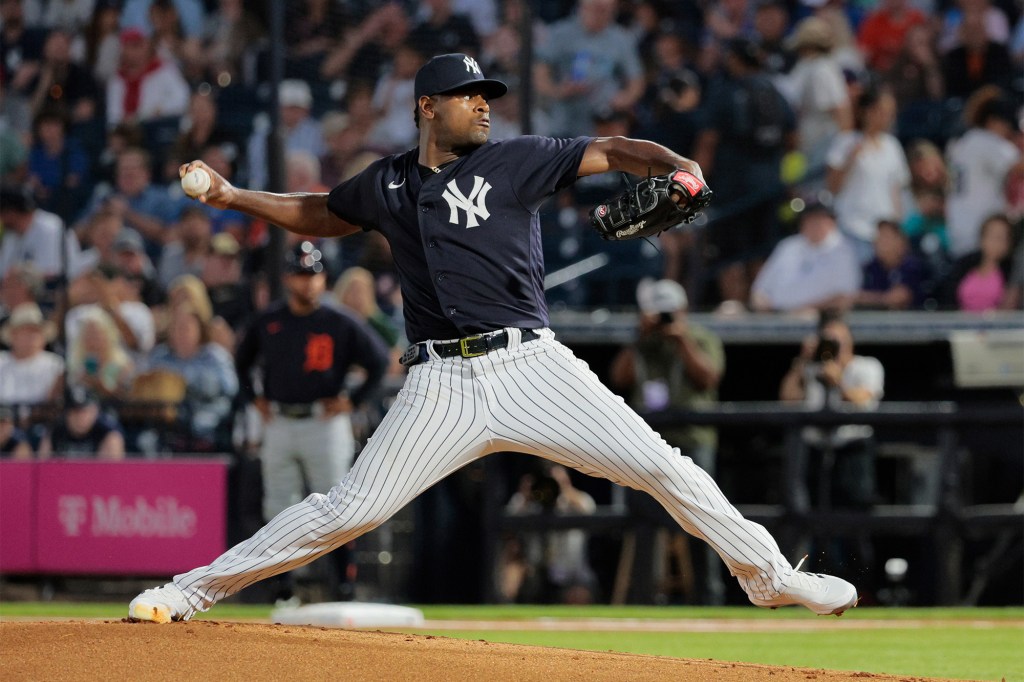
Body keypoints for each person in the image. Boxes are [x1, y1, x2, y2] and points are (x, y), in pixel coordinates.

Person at [128, 52, 858, 623]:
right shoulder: (385, 184)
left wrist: (679, 167)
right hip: (439, 384)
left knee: (664, 468)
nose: (483, 105)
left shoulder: (514, 160)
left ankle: (771, 579)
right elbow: (322, 211)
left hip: (532, 366)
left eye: (488, 96)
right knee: (350, 510)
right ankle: (191, 591)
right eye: (469, 96)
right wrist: (232, 197)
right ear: (427, 108)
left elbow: (611, 148)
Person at [235, 241, 388, 602]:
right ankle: (284, 589)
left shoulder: (338, 321)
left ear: (324, 279)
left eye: (314, 275)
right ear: (289, 278)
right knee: (278, 509)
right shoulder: (270, 321)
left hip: (324, 421)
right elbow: (241, 361)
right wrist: (253, 397)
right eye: (301, 274)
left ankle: (343, 588)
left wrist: (353, 399)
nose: (308, 282)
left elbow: (379, 360)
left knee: (338, 507)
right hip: (281, 421)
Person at [609, 278, 727, 605]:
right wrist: (640, 337)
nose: (663, 320)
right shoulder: (644, 342)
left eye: (668, 313)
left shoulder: (701, 338)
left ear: (682, 311)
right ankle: (642, 597)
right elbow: (619, 378)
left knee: (704, 519)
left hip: (692, 439)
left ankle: (709, 597)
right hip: (648, 444)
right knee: (644, 519)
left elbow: (708, 377)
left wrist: (682, 339)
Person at [779, 312, 884, 510]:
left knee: (855, 517)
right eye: (829, 340)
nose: (835, 346)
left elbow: (864, 400)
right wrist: (802, 361)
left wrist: (839, 382)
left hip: (853, 449)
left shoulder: (867, 366)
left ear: (850, 341)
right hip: (816, 450)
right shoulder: (813, 368)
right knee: (813, 514)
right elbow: (788, 398)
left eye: (840, 340)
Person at [750, 202, 862, 313]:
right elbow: (760, 290)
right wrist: (764, 306)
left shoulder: (844, 250)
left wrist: (806, 310)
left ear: (832, 222)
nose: (814, 224)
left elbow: (846, 297)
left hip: (821, 320)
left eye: (819, 219)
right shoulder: (788, 246)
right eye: (809, 219)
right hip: (776, 318)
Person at [0, 302, 64, 406]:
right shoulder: (1, 361)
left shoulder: (55, 364)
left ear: (43, 337)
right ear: (13, 335)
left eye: (35, 332)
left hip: (41, 419)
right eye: (25, 332)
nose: (31, 337)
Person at [37, 387, 126, 460]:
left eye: (85, 412)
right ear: (66, 414)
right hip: (62, 478)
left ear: (95, 411)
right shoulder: (56, 429)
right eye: (75, 412)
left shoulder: (107, 431)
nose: (80, 417)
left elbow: (113, 472)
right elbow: (43, 465)